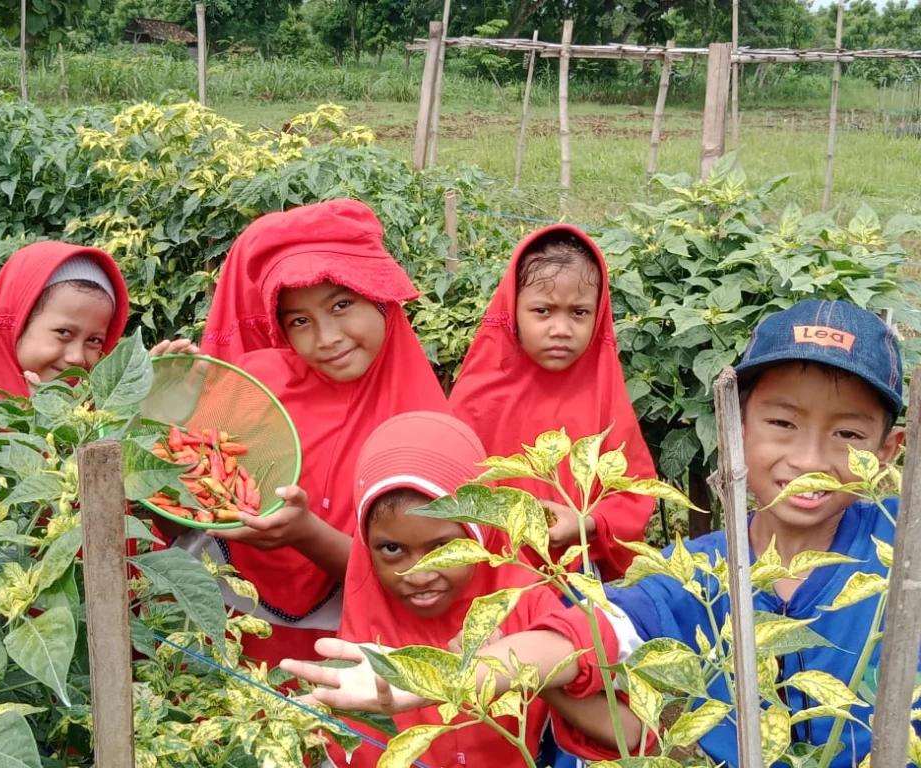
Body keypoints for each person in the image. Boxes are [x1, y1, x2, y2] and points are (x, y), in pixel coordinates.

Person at [292, 300, 913, 768]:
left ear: (890, 450)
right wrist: (445, 678)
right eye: (782, 422)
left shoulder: (901, 572)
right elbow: (579, 637)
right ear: (734, 426)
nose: (808, 457)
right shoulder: (689, 574)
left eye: (848, 435)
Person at [179, 199, 450, 667]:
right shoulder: (254, 384)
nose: (326, 338)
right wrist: (167, 407)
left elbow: (423, 579)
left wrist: (306, 535)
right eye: (299, 321)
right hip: (223, 638)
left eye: (341, 305)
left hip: (352, 654)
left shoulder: (430, 430)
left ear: (381, 299)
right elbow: (180, 504)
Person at [291, 410, 644, 767]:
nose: (418, 572)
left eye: (443, 549)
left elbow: (629, 734)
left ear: (480, 535)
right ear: (367, 548)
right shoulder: (363, 631)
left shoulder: (521, 604)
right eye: (392, 549)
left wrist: (517, 669)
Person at [449, 224, 655, 581]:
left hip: (576, 584)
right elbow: (449, 482)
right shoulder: (482, 391)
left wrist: (587, 523)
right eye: (543, 311)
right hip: (488, 574)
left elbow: (633, 489)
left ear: (599, 314)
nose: (561, 329)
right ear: (513, 310)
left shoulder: (603, 393)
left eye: (579, 313)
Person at [0, 241, 197, 399]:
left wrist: (136, 390)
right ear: (16, 325)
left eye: (94, 340)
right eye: (63, 332)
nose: (77, 358)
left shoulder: (93, 409)